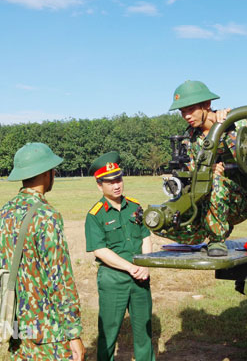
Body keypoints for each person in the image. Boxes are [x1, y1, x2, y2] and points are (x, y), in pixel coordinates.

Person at [0, 143, 84, 360]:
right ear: (46, 173)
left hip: (15, 323)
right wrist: (73, 333)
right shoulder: (46, 216)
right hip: (48, 331)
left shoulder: (3, 213)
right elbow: (60, 279)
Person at [165, 80, 247, 256]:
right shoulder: (190, 137)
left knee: (213, 180)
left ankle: (217, 239)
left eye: (190, 110)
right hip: (204, 198)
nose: (186, 116)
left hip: (239, 199)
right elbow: (191, 172)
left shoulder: (236, 123)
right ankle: (204, 231)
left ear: (206, 105)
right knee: (162, 221)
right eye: (182, 112)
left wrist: (225, 126)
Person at [85, 151, 155, 361]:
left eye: (119, 179)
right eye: (110, 182)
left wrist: (146, 265)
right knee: (109, 332)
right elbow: (100, 251)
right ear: (100, 185)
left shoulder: (134, 206)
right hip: (114, 280)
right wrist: (130, 267)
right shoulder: (95, 215)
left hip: (141, 277)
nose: (116, 185)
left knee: (144, 332)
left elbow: (145, 237)